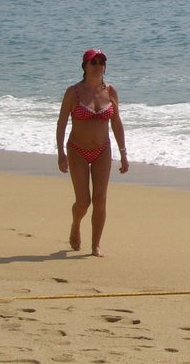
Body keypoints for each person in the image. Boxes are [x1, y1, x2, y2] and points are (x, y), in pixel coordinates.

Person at [56, 48, 129, 256]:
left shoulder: (111, 91)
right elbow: (61, 123)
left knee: (100, 200)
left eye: (101, 61)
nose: (98, 65)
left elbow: (116, 123)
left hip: (102, 151)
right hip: (77, 150)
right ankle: (76, 224)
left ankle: (95, 245)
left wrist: (124, 153)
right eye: (93, 62)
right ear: (85, 66)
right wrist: (60, 152)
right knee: (83, 202)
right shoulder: (74, 92)